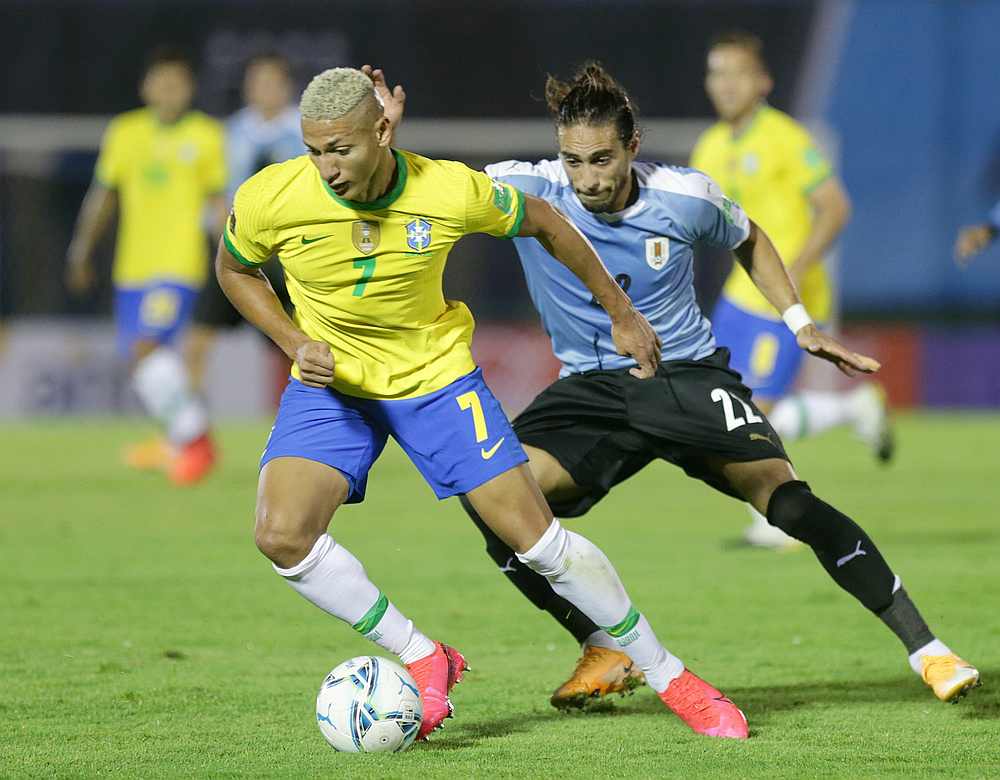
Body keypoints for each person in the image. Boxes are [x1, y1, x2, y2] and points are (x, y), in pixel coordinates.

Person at [368, 62, 980, 713]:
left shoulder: (684, 198)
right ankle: (601, 646)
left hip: (683, 374)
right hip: (589, 390)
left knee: (789, 504)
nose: (587, 179)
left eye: (602, 159)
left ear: (632, 146)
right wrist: (381, 148)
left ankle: (928, 650)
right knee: (491, 496)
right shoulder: (526, 188)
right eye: (573, 161)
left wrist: (799, 322)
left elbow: (749, 238)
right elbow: (425, 191)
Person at [216, 67, 749, 741]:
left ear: (381, 132)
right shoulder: (271, 196)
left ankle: (672, 677)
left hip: (435, 380)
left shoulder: (447, 190)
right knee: (281, 535)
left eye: (342, 149)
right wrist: (293, 340)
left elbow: (548, 222)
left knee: (540, 544)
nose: (326, 168)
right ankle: (422, 654)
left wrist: (620, 311)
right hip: (335, 386)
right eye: (315, 150)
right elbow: (234, 268)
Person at [691, 31, 894, 548]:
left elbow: (835, 206)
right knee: (721, 409)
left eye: (737, 73)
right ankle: (852, 410)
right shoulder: (711, 146)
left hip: (785, 298)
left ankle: (775, 521)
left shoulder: (785, 138)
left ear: (763, 82)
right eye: (716, 73)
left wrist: (798, 266)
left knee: (756, 412)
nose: (726, 84)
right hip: (739, 294)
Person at [65, 46, 225, 485]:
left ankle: (196, 441)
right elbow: (103, 194)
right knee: (143, 364)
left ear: (190, 89)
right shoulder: (125, 132)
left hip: (179, 265)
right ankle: (175, 440)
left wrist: (232, 259)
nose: (169, 92)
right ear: (146, 87)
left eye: (178, 85)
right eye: (162, 83)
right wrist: (81, 249)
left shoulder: (206, 135)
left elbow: (217, 203)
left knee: (146, 348)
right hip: (132, 268)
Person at [185, 51, 302, 390]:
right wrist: (222, 238)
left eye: (272, 82)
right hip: (235, 252)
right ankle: (189, 423)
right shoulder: (228, 134)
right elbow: (215, 192)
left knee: (299, 341)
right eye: (258, 82)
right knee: (197, 342)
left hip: (288, 257)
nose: (265, 89)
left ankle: (309, 417)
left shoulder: (306, 132)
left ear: (287, 87)